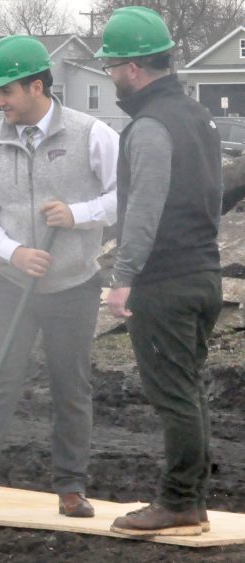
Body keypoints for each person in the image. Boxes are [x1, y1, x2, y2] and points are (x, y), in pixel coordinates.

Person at [0, 35, 118, 519]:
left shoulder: (92, 133)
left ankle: (71, 487)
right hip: (10, 283)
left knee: (70, 384)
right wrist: (14, 252)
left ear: (36, 87)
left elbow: (124, 196)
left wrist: (78, 214)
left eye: (6, 92)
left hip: (74, 283)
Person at [99, 7, 222, 537]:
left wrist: (122, 276)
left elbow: (145, 208)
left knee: (173, 394)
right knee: (187, 390)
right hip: (203, 273)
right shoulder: (197, 117)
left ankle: (175, 502)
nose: (109, 76)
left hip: (163, 282)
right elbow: (212, 197)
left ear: (132, 67)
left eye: (111, 66)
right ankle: (189, 500)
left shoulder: (149, 126)